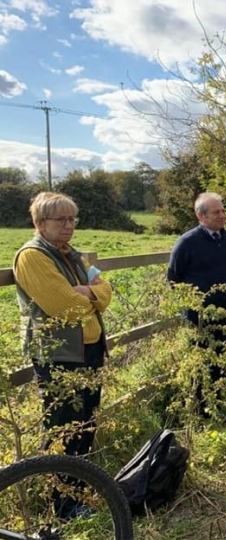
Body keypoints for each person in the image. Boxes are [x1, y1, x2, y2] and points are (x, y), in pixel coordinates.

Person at [13, 192, 113, 518]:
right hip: (61, 356)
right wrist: (89, 295)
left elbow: (106, 289)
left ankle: (79, 492)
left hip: (89, 350)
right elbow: (64, 307)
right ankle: (61, 505)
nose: (68, 226)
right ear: (39, 223)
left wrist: (90, 293)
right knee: (63, 428)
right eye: (61, 220)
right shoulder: (32, 256)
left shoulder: (72, 254)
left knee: (85, 423)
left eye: (72, 219)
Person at [167, 192, 226, 417]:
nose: (222, 215)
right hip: (198, 314)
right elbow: (173, 278)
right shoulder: (187, 242)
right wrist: (193, 304)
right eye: (216, 212)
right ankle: (200, 411)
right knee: (201, 361)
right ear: (201, 216)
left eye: (222, 210)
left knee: (223, 357)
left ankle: (218, 404)